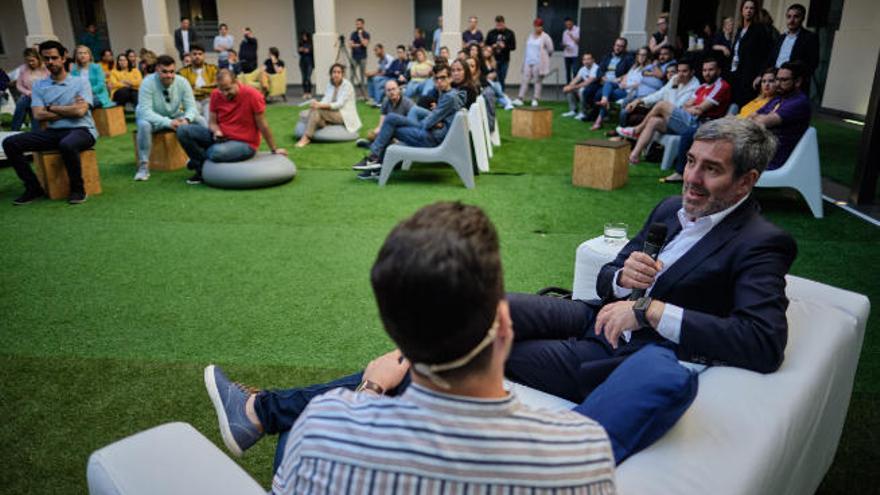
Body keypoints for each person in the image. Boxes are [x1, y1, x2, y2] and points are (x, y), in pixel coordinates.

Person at [204, 201, 617, 493]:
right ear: (506, 324)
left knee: (292, 428)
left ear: (396, 341)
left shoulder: (323, 426)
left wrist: (369, 390)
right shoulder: (582, 451)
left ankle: (258, 414)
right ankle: (256, 413)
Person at [2, 40, 97, 205]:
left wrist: (51, 107)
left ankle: (77, 189)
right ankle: (33, 188)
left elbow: (81, 112)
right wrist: (69, 109)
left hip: (83, 129)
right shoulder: (39, 85)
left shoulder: (80, 82)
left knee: (67, 144)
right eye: (46, 59)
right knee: (10, 143)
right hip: (53, 132)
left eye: (54, 58)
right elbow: (38, 115)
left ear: (64, 57)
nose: (50, 62)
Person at [350, 63, 464, 179]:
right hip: (433, 134)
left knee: (391, 119)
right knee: (392, 122)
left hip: (432, 138)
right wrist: (436, 121)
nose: (439, 81)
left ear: (450, 78)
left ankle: (373, 158)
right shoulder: (449, 94)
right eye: (437, 78)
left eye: (443, 78)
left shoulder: (449, 97)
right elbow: (436, 118)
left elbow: (427, 123)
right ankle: (375, 162)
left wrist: (434, 122)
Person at [176, 69, 287, 185]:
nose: (224, 93)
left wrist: (274, 149)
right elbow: (212, 123)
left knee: (214, 152)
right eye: (221, 89)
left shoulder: (253, 95)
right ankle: (200, 168)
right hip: (220, 138)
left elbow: (263, 125)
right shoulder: (215, 94)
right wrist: (217, 131)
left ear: (236, 82)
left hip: (245, 143)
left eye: (228, 89)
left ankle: (198, 164)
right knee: (183, 130)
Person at [617, 58, 706, 163]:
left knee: (661, 105)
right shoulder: (675, 79)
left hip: (685, 124)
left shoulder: (696, 86)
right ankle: (634, 156)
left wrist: (674, 87)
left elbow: (677, 107)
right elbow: (659, 94)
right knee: (653, 121)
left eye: (684, 71)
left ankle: (637, 130)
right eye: (679, 71)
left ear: (692, 72)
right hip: (671, 120)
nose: (680, 74)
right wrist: (639, 100)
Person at [134, 54, 204, 181]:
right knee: (144, 125)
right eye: (164, 72)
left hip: (174, 115)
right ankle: (143, 166)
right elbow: (145, 111)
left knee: (200, 119)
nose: (169, 75)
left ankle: (204, 158)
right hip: (152, 119)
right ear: (157, 70)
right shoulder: (147, 83)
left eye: (172, 71)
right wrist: (169, 122)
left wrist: (186, 119)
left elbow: (192, 107)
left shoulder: (182, 81)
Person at [749, 61, 811, 170]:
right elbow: (752, 116)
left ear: (797, 82)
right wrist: (759, 119)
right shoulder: (779, 98)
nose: (777, 84)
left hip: (773, 158)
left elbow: (761, 122)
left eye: (784, 80)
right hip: (761, 147)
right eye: (777, 79)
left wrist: (761, 119)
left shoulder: (799, 103)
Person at [295, 63, 361, 148]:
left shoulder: (347, 85)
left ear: (342, 74)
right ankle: (321, 123)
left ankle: (306, 137)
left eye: (339, 72)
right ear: (331, 74)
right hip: (332, 113)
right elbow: (326, 99)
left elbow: (339, 104)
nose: (336, 74)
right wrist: (317, 104)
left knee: (318, 110)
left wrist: (320, 106)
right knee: (310, 111)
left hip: (343, 114)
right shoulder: (330, 84)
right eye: (334, 72)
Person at [594, 46, 650, 129]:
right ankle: (604, 99)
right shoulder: (635, 66)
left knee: (609, 94)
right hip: (623, 87)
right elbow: (627, 76)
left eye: (644, 55)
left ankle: (598, 121)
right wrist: (623, 81)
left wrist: (627, 85)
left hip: (630, 92)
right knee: (609, 83)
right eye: (639, 54)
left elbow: (642, 84)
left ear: (647, 57)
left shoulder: (648, 69)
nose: (641, 57)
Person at [730, 0, 773, 107]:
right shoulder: (740, 30)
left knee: (743, 106)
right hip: (734, 73)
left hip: (749, 76)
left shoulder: (760, 30)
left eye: (751, 8)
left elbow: (767, 55)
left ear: (755, 11)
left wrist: (760, 75)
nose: (749, 11)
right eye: (746, 8)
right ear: (742, 10)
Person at [763, 4, 819, 85]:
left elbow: (812, 63)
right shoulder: (780, 38)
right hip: (774, 80)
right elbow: (770, 59)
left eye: (796, 17)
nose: (791, 20)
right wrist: (761, 75)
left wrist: (797, 79)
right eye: (789, 17)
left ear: (802, 18)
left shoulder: (810, 38)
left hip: (793, 83)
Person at [591, 37, 634, 128]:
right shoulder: (607, 56)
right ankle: (598, 115)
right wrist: (602, 77)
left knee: (603, 94)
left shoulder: (627, 59)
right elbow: (599, 70)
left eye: (621, 46)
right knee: (596, 92)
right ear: (614, 46)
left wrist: (620, 78)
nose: (618, 48)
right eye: (617, 45)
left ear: (624, 48)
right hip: (606, 83)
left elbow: (629, 73)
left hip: (618, 84)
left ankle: (598, 120)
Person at [358, 79, 414, 147]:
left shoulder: (408, 103)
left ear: (399, 89)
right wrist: (375, 133)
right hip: (389, 130)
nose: (391, 92)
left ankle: (373, 144)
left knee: (392, 140)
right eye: (389, 90)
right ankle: (378, 143)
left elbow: (412, 125)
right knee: (372, 135)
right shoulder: (385, 101)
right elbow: (381, 124)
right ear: (385, 92)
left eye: (394, 89)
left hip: (404, 132)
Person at [512, 18, 553, 107]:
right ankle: (520, 98)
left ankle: (535, 99)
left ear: (542, 27)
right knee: (525, 80)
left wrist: (544, 58)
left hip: (538, 62)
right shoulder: (530, 36)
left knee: (537, 81)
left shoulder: (545, 37)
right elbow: (528, 49)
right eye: (535, 26)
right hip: (528, 61)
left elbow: (550, 50)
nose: (537, 28)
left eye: (539, 26)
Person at [10, 48, 49, 131]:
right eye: (28, 61)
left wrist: (39, 93)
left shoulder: (46, 68)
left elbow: (51, 83)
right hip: (29, 96)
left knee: (26, 104)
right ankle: (14, 130)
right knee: (22, 103)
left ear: (38, 58)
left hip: (43, 97)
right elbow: (19, 85)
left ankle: (18, 130)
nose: (30, 63)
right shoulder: (23, 69)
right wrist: (28, 93)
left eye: (32, 60)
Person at [178, 44, 219, 121]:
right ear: (190, 55)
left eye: (200, 54)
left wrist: (196, 89)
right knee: (195, 119)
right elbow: (184, 91)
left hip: (209, 99)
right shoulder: (182, 72)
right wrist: (206, 88)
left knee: (209, 119)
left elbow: (215, 86)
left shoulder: (213, 69)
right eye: (194, 54)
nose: (197, 56)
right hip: (192, 101)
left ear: (204, 56)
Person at [561, 53, 598, 119]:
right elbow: (576, 79)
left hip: (594, 88)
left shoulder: (596, 68)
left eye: (588, 59)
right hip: (586, 88)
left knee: (581, 90)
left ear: (593, 60)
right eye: (584, 59)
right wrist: (569, 86)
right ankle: (573, 110)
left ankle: (583, 112)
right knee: (570, 90)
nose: (586, 61)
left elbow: (588, 82)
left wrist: (573, 87)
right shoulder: (583, 69)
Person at [485, 15, 516, 91]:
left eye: (500, 25)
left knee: (502, 77)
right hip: (492, 59)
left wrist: (504, 46)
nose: (499, 26)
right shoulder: (491, 33)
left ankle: (501, 93)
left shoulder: (510, 33)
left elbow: (513, 47)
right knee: (493, 76)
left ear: (504, 23)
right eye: (497, 25)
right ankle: (493, 92)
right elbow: (486, 45)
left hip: (504, 59)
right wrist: (493, 46)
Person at [481, 45, 514, 110]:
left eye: (490, 51)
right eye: (486, 50)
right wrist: (487, 76)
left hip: (493, 81)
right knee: (497, 90)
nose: (487, 52)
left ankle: (507, 102)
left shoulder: (492, 61)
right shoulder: (480, 61)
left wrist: (494, 74)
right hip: (485, 81)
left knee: (497, 89)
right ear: (483, 51)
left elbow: (495, 72)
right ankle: (507, 101)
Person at [349, 18, 370, 86]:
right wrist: (358, 45)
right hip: (354, 57)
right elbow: (350, 45)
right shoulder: (353, 34)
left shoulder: (366, 34)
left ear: (363, 24)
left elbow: (365, 44)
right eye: (357, 24)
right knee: (352, 74)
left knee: (362, 75)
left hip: (363, 57)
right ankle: (350, 90)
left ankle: (363, 91)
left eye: (359, 24)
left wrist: (360, 36)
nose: (357, 25)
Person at [561, 17, 580, 83]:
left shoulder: (578, 30)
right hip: (567, 54)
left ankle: (574, 86)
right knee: (567, 71)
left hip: (575, 54)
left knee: (575, 71)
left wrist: (571, 36)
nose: (568, 26)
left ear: (572, 23)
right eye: (566, 25)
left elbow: (579, 42)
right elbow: (564, 42)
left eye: (569, 24)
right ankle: (568, 86)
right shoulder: (565, 32)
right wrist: (564, 45)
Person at [297, 32, 314, 100]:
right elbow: (300, 51)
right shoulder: (301, 43)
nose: (304, 37)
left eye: (305, 36)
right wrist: (301, 50)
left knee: (308, 77)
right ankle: (305, 92)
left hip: (309, 61)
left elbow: (309, 51)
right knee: (303, 77)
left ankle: (309, 92)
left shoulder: (311, 44)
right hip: (302, 61)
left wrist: (305, 50)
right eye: (303, 36)